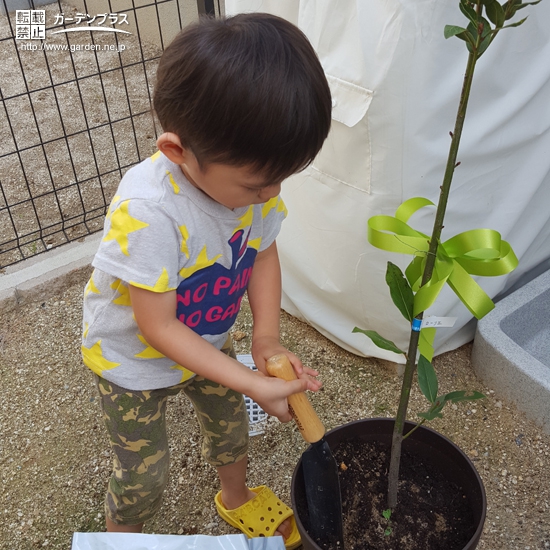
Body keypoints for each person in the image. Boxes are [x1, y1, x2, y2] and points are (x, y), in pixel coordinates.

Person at [81, 12, 332, 549]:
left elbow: (262, 254)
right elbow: (158, 328)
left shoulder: (252, 190)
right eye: (258, 183)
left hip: (210, 342)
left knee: (230, 427)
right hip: (132, 363)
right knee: (143, 476)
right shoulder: (150, 211)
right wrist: (252, 381)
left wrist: (265, 338)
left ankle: (235, 498)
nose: (271, 195)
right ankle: (121, 537)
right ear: (176, 151)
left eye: (281, 178)